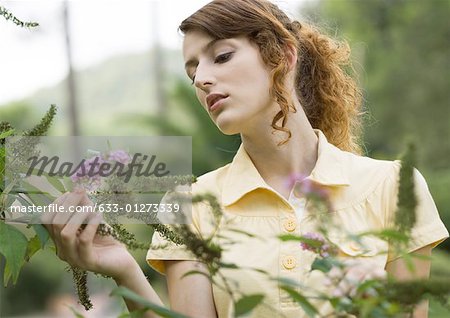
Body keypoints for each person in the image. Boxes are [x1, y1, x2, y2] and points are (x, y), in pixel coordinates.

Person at [45, 0, 449, 317]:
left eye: (220, 57)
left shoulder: (395, 188)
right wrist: (124, 269)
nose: (202, 79)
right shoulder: (189, 208)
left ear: (283, 56)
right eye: (192, 71)